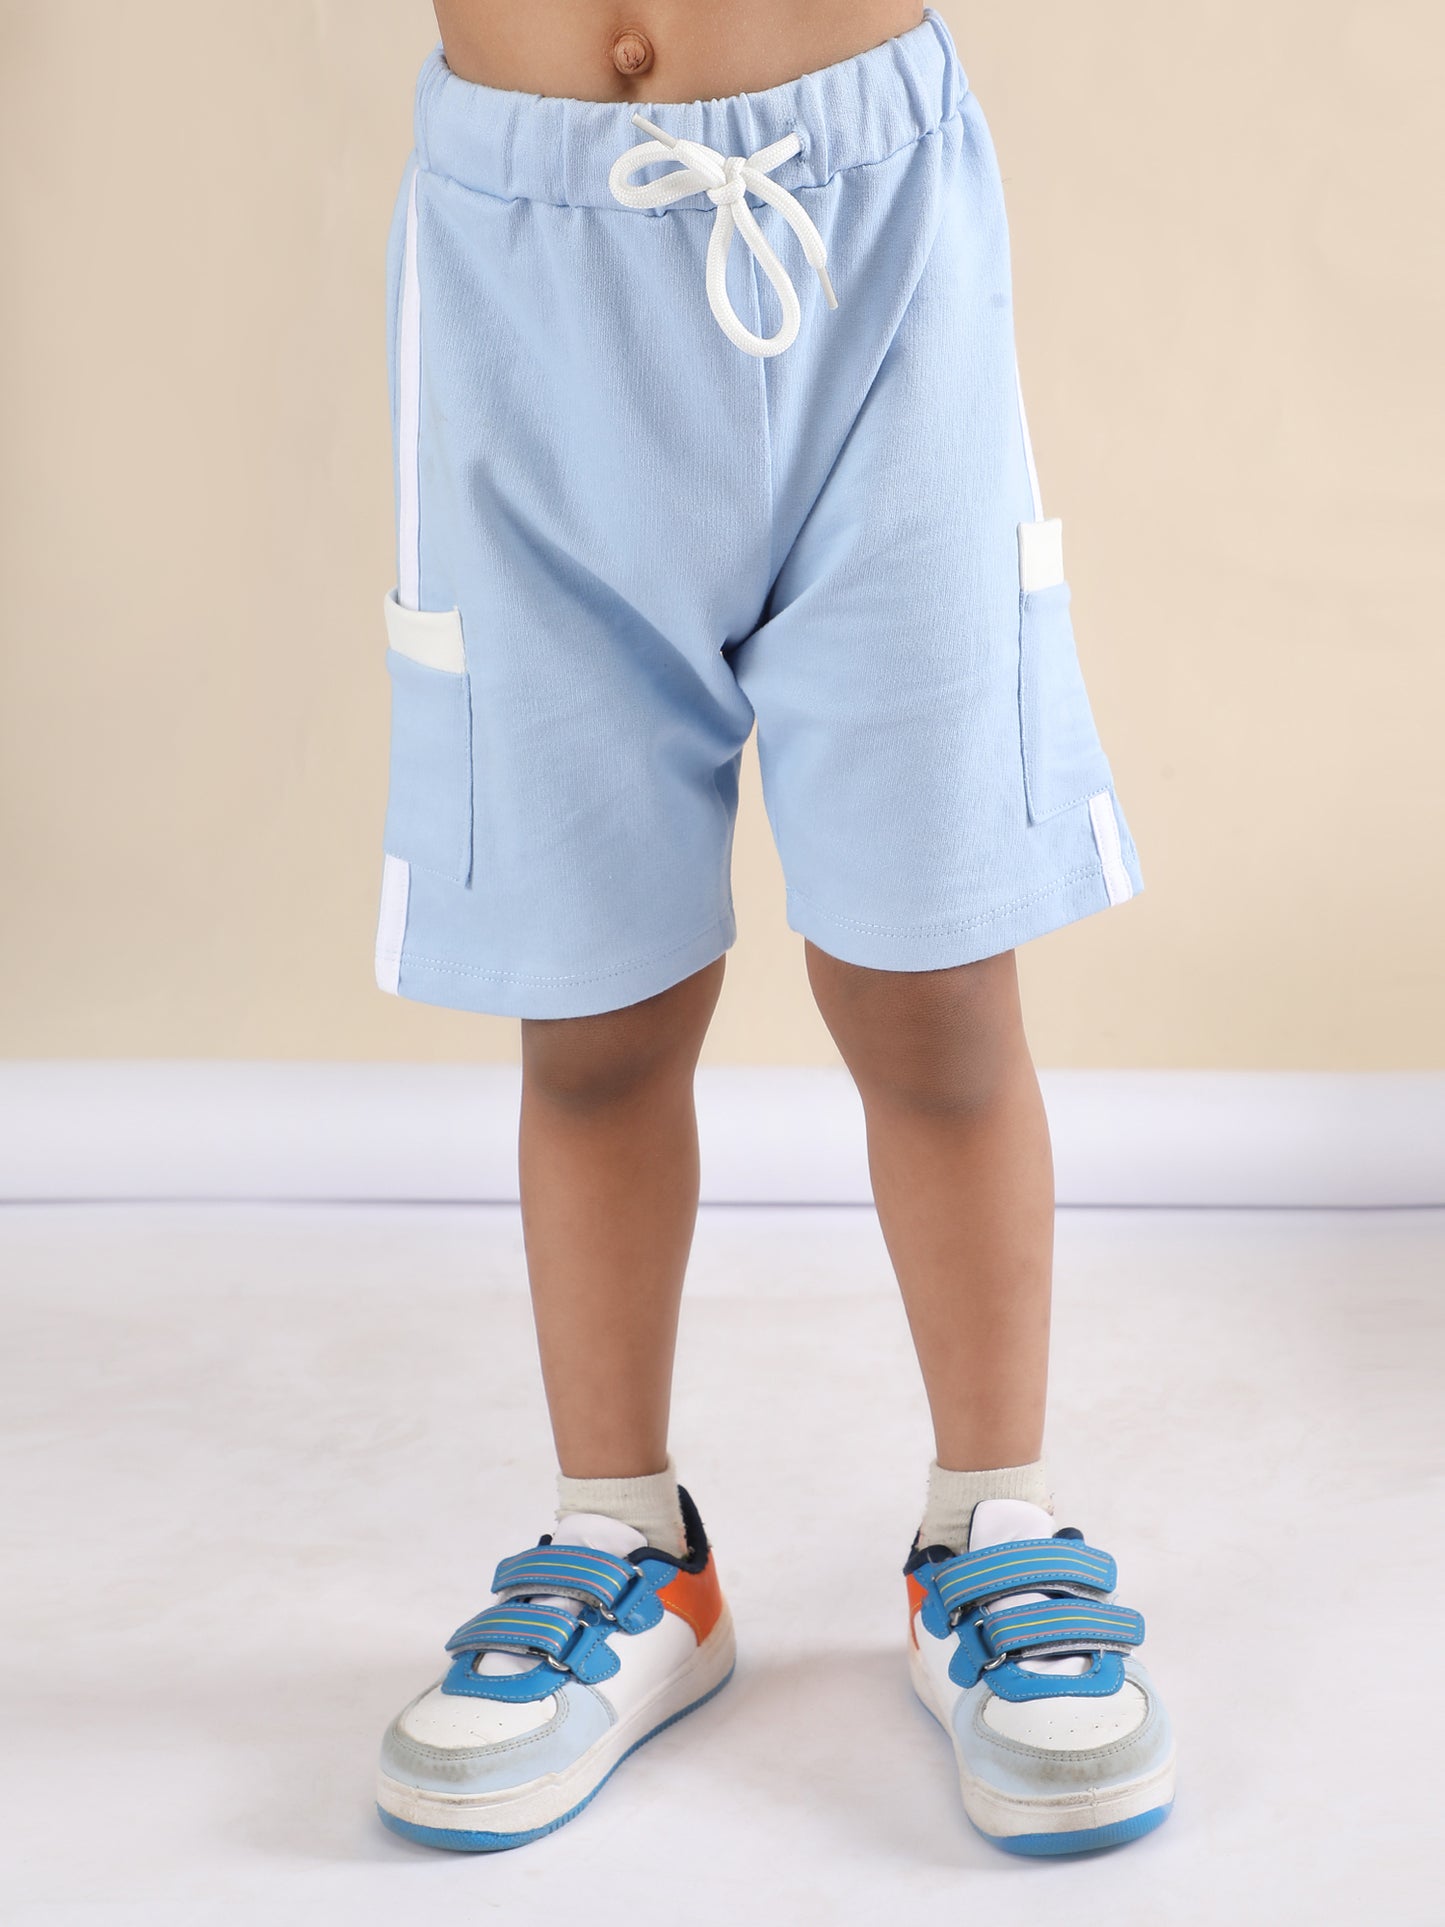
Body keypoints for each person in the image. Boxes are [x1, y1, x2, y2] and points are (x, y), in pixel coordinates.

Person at [372, 0, 1174, 1858]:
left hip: (866, 231)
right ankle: (627, 1541)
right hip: (517, 261)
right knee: (588, 1001)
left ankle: (989, 1518)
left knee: (932, 974)